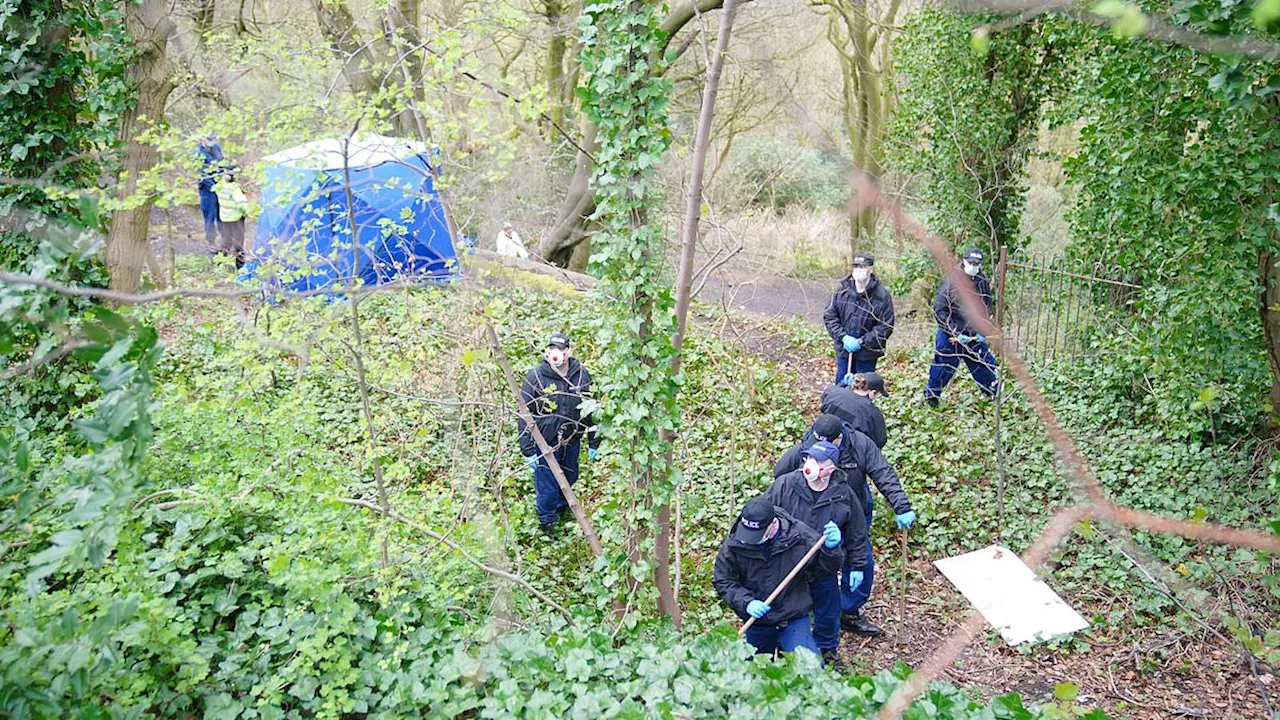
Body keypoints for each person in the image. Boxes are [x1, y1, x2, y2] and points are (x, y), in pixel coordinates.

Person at [774, 414, 915, 636]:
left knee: (860, 559)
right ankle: (805, 607)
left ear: (839, 439)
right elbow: (780, 473)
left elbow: (883, 473)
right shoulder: (810, 444)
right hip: (812, 513)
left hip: (851, 511)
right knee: (810, 563)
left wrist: (901, 506)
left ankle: (848, 610)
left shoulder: (860, 445)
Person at [763, 441, 868, 668]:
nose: (813, 465)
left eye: (820, 461)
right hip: (788, 564)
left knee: (828, 611)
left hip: (823, 565)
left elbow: (857, 533)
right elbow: (765, 516)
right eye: (810, 458)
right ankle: (781, 647)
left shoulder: (844, 495)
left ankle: (827, 649)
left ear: (832, 468)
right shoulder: (785, 485)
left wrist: (857, 565)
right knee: (783, 608)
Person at [713, 495, 844, 661]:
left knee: (807, 666)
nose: (752, 539)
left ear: (774, 523)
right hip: (757, 622)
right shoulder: (736, 543)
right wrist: (746, 602)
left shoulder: (800, 537)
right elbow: (723, 580)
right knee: (750, 672)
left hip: (792, 617)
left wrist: (830, 550)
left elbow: (824, 571)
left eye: (758, 533)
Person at [517, 332, 601, 538]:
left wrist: (594, 440)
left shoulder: (581, 375)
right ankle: (547, 522)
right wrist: (527, 448)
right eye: (552, 349)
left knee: (570, 476)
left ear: (568, 353)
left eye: (561, 350)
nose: (556, 354)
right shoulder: (536, 377)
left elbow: (593, 407)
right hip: (545, 443)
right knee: (548, 484)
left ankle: (562, 508)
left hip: (572, 439)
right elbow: (524, 412)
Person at [924, 247, 999, 406]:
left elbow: (986, 307)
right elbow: (940, 311)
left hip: (973, 333)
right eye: (971, 262)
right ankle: (931, 397)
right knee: (944, 366)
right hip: (950, 333)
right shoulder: (951, 282)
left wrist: (983, 330)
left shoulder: (982, 281)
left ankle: (992, 394)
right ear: (964, 262)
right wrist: (955, 333)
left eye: (977, 264)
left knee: (983, 363)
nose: (974, 266)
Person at [823, 252, 895, 385]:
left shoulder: (882, 296)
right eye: (855, 266)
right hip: (844, 351)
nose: (858, 270)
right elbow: (830, 316)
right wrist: (843, 337)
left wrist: (862, 341)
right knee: (841, 387)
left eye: (862, 266)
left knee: (863, 389)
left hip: (868, 354)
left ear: (871, 269)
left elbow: (885, 326)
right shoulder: (841, 291)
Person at [820, 372, 888, 449]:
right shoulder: (872, 413)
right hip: (851, 450)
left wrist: (842, 384)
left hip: (824, 437)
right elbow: (880, 440)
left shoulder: (833, 392)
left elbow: (824, 399)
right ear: (873, 392)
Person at [213, 174, 249, 268]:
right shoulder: (234, 189)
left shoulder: (219, 186)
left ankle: (220, 261)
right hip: (236, 218)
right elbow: (241, 204)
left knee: (226, 239)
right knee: (238, 241)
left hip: (225, 217)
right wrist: (246, 212)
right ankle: (239, 264)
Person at [196, 135, 226, 245]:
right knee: (209, 214)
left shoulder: (216, 148)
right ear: (202, 140)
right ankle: (211, 241)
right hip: (207, 189)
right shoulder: (199, 154)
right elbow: (202, 174)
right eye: (209, 140)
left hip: (220, 184)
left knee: (221, 213)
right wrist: (214, 187)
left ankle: (225, 239)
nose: (211, 142)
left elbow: (222, 163)